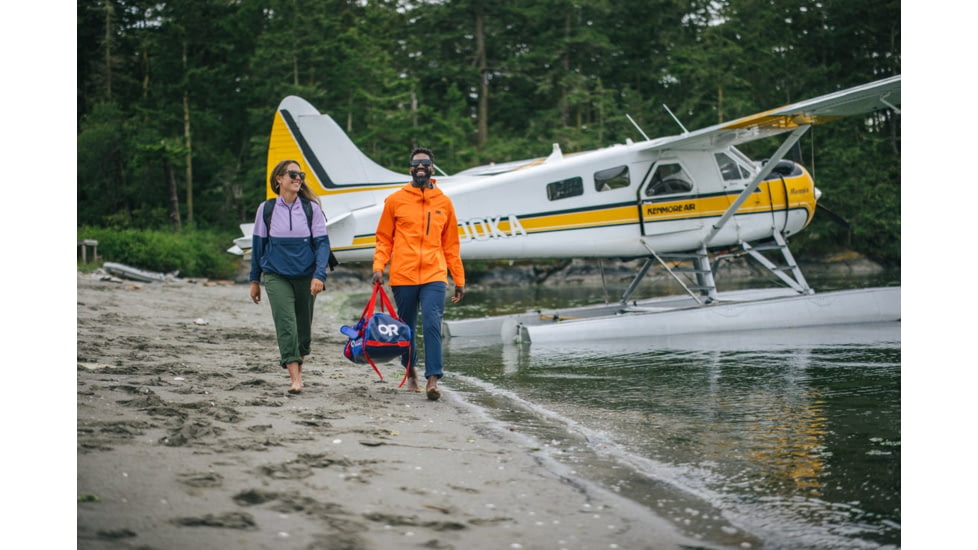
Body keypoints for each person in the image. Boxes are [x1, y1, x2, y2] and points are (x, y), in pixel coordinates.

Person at [372, 147, 465, 401]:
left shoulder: (444, 202)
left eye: (425, 163)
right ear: (410, 168)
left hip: (435, 274)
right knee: (406, 326)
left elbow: (451, 245)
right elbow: (384, 239)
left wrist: (459, 279)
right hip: (403, 274)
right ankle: (410, 371)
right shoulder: (395, 200)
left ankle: (433, 379)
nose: (420, 167)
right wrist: (379, 267)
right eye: (416, 163)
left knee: (432, 323)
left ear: (432, 168)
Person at [249, 160, 332, 394]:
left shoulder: (311, 209)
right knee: (286, 324)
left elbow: (323, 245)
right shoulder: (266, 209)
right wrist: (254, 280)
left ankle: (299, 368)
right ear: (279, 179)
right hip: (276, 275)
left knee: (303, 330)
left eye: (301, 174)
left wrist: (319, 275)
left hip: (306, 276)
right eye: (293, 174)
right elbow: (258, 246)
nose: (298, 178)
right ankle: (295, 378)